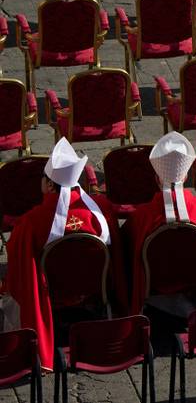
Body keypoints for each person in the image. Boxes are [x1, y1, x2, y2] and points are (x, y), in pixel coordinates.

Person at [4, 138, 125, 371]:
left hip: (52, 292)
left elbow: (20, 269)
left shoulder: (30, 223)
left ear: (49, 186)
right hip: (92, 289)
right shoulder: (103, 211)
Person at [124, 132, 196, 315]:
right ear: (185, 178)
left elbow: (128, 251)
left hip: (155, 287)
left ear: (156, 179)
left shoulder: (141, 216)